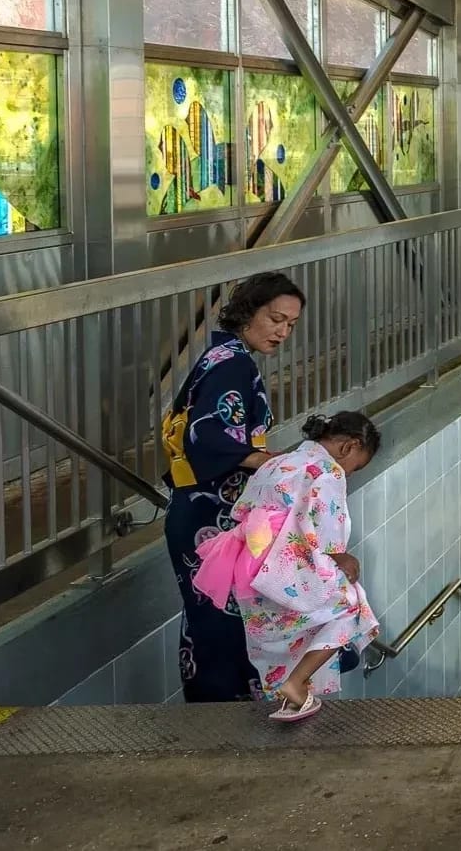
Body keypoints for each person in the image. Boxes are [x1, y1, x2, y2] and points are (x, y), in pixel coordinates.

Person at [161, 271, 304, 703]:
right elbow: (206, 435)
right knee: (222, 617)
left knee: (210, 613)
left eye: (291, 325)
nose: (282, 331)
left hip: (200, 510)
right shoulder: (234, 363)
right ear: (248, 313)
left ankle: (213, 705)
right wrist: (263, 458)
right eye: (275, 318)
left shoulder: (220, 356)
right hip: (209, 514)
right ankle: (219, 712)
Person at [193, 411, 381, 722]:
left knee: (278, 631)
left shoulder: (275, 462)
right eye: (355, 467)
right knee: (352, 606)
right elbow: (323, 526)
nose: (348, 473)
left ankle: (292, 696)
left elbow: (243, 509)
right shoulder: (328, 471)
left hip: (249, 562)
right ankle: (294, 684)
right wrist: (341, 558)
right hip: (284, 562)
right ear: (350, 446)